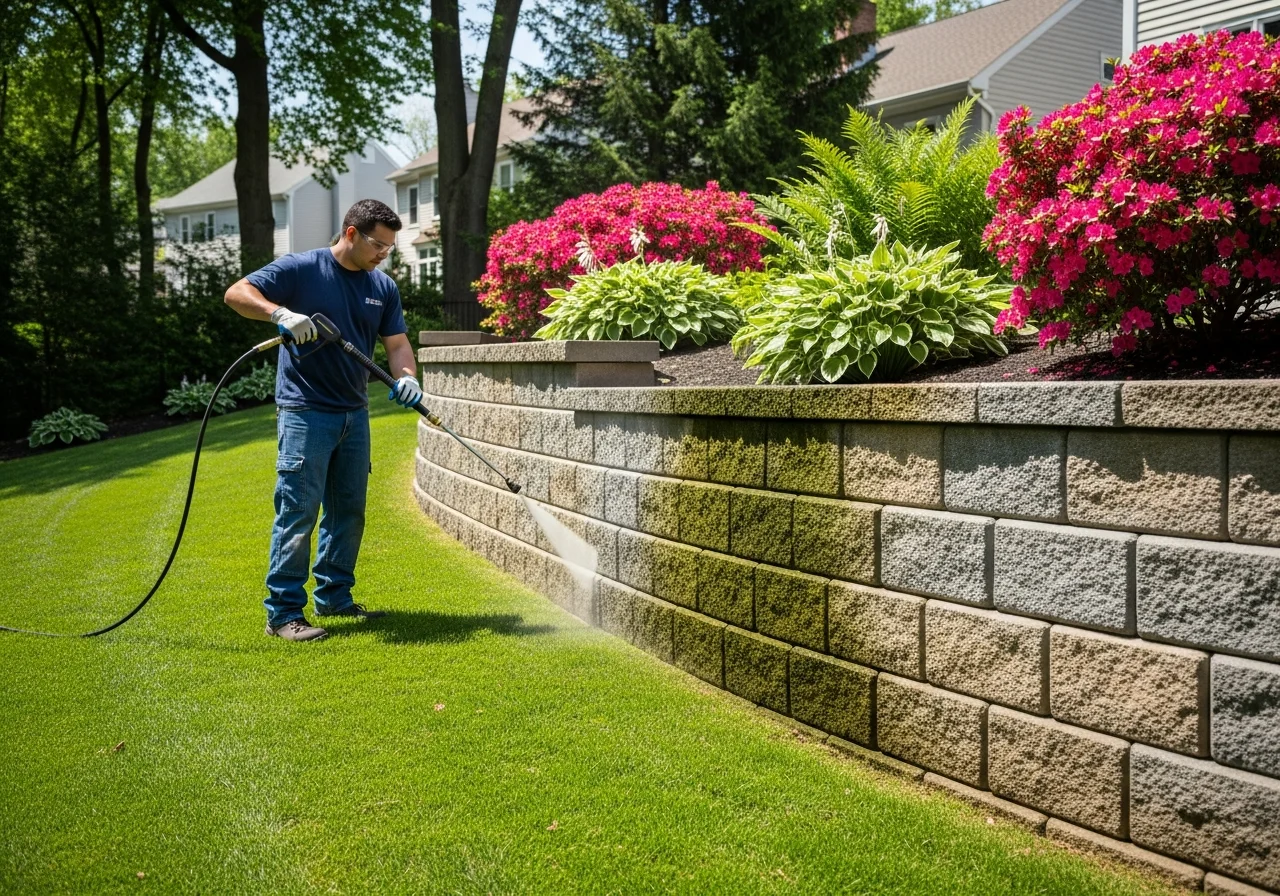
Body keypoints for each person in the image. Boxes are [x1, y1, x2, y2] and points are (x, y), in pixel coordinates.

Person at [224, 199, 424, 642]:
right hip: (305, 411)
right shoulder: (300, 269)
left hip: (355, 412)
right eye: (377, 244)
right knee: (298, 511)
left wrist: (407, 377)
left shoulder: (382, 286)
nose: (382, 254)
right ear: (350, 233)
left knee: (348, 511)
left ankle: (335, 597)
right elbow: (237, 293)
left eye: (390, 248)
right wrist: (279, 313)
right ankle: (282, 615)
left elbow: (396, 345)